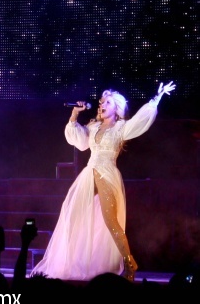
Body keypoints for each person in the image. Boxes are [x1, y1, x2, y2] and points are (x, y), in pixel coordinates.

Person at [30, 81, 176, 282]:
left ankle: (129, 261)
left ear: (115, 107)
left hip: (107, 173)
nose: (101, 105)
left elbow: (141, 120)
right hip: (89, 174)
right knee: (71, 214)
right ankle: (73, 262)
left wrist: (156, 98)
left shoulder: (121, 127)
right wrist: (75, 114)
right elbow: (79, 142)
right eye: (101, 102)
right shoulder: (93, 126)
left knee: (111, 221)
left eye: (106, 102)